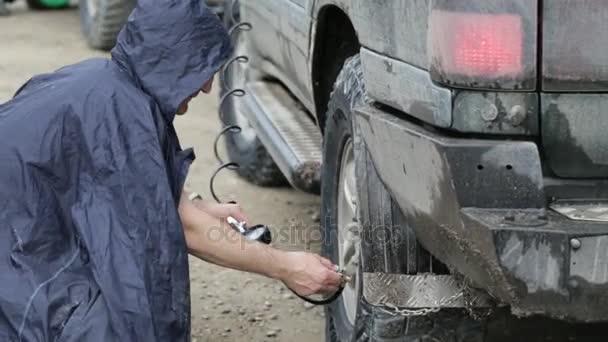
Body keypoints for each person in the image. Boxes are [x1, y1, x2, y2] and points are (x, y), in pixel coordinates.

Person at [0, 1, 342, 341]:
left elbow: (138, 196)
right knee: (112, 320)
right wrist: (287, 268)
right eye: (199, 67)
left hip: (19, 225)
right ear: (169, 60)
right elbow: (182, 226)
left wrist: (203, 210)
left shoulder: (106, 83)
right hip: (13, 251)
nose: (207, 87)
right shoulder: (123, 115)